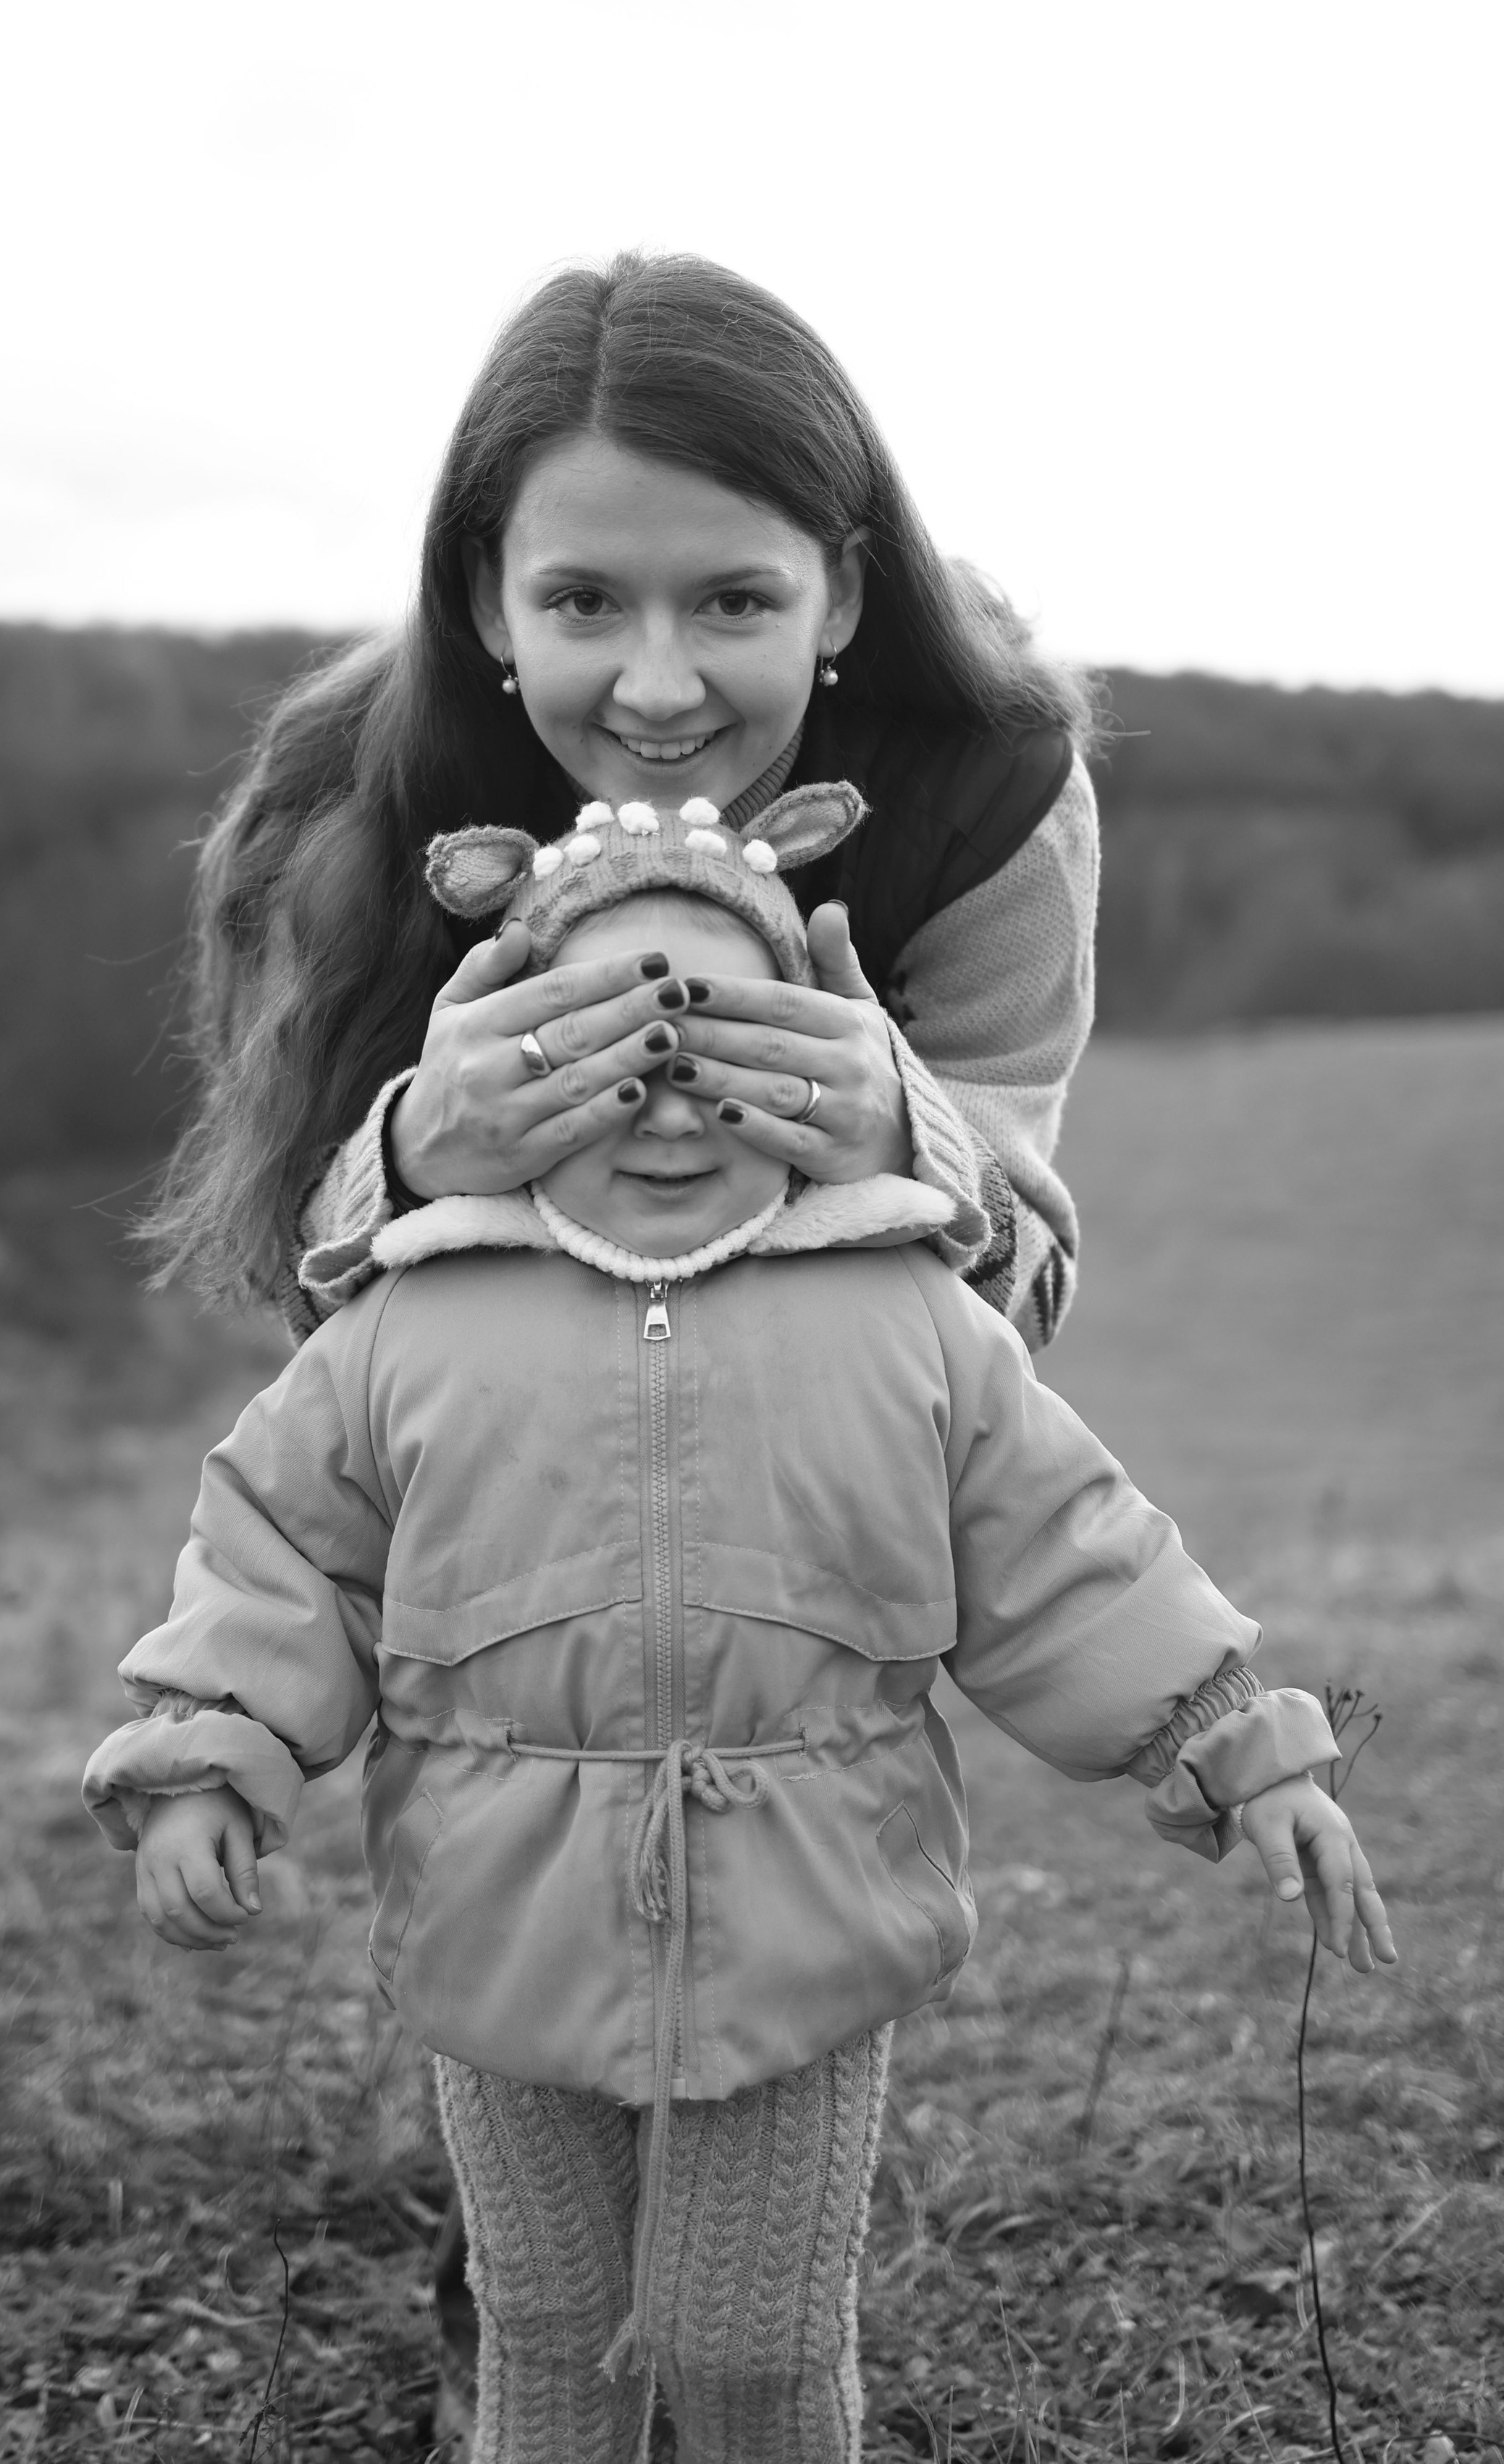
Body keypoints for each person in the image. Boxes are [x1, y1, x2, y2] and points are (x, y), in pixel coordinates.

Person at [88, 796, 1395, 2464]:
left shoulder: (912, 1317)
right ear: (509, 1073)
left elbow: (1067, 1552)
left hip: (808, 1919)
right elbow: (279, 1555)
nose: (666, 1112)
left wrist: (1238, 1743)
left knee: (752, 2349)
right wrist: (213, 1756)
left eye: (722, 1060)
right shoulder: (405, 1323)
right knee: (549, 2334)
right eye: (608, 1062)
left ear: (812, 1062)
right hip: (499, 1920)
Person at [143, 251, 1099, 1363]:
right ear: (487, 601)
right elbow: (300, 1303)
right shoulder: (348, 801)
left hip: (846, 1454)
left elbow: (1026, 1308)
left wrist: (902, 1137)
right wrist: (410, 1154)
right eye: (583, 601)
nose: (657, 689)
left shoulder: (991, 799)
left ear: (839, 592)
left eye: (735, 602)